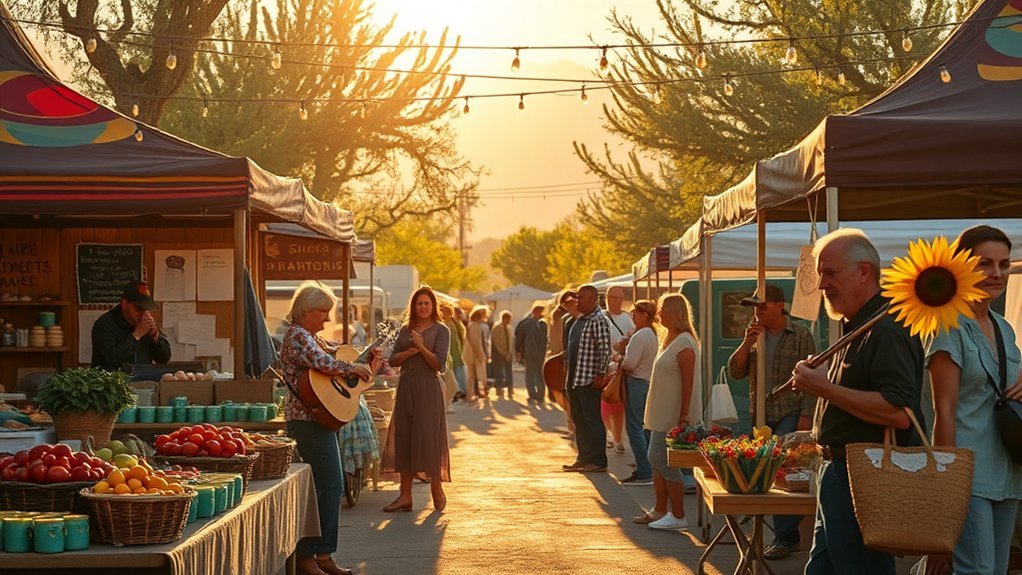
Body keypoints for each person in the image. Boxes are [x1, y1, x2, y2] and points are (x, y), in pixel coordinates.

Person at [791, 228, 925, 575]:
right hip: (840, 474)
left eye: (830, 273)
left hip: (863, 477)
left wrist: (824, 388)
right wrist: (822, 381)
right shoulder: (859, 324)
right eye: (820, 274)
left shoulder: (886, 328)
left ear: (864, 272)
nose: (821, 284)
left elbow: (899, 412)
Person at [925, 225, 1022, 575]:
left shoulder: (1004, 328)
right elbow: (944, 412)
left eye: (1004, 264)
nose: (997, 273)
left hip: (1008, 469)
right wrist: (946, 495)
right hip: (967, 475)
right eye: (985, 263)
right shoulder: (947, 325)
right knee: (977, 570)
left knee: (995, 570)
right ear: (961, 266)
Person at [279, 281, 372, 575]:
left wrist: (364, 360)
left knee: (329, 486)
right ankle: (309, 557)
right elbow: (323, 362)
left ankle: (322, 555)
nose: (328, 319)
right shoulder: (297, 336)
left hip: (316, 420)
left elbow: (337, 354)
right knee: (328, 486)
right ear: (307, 311)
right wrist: (350, 368)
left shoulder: (310, 337)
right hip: (307, 422)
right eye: (324, 312)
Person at [727, 284, 818, 559]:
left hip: (790, 410)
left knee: (781, 466)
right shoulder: (756, 335)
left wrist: (806, 416)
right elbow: (735, 372)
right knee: (765, 469)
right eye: (754, 307)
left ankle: (783, 538)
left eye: (762, 307)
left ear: (780, 305)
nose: (757, 312)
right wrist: (747, 343)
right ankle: (778, 534)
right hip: (761, 413)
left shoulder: (800, 335)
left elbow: (813, 377)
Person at [382, 286, 451, 513]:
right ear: (414, 306)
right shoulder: (406, 330)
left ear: (433, 306)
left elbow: (438, 364)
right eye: (419, 303)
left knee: (428, 437)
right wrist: (407, 353)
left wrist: (420, 346)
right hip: (406, 386)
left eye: (426, 303)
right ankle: (405, 496)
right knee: (405, 437)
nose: (423, 307)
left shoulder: (441, 331)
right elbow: (392, 360)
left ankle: (436, 488)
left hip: (428, 388)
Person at [637, 293, 702, 530]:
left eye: (662, 309)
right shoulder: (670, 339)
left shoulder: (684, 343)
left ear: (673, 312)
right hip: (662, 412)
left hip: (673, 415)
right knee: (656, 460)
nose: (658, 313)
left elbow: (688, 381)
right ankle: (660, 509)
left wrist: (684, 415)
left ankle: (678, 515)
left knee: (660, 459)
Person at [561, 284, 612, 474]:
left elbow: (605, 350)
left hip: (589, 379)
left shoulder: (598, 320)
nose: (577, 301)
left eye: (580, 298)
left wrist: (600, 374)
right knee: (579, 420)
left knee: (592, 420)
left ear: (592, 299)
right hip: (575, 379)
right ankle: (584, 458)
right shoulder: (580, 320)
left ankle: (598, 461)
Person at [617, 299, 658, 486]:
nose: (632, 315)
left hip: (636, 383)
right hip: (647, 382)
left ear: (644, 315)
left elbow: (630, 364)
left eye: (635, 312)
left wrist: (618, 358)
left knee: (634, 429)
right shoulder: (652, 334)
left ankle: (644, 471)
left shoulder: (640, 336)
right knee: (645, 427)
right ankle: (649, 467)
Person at [91, 280, 172, 373]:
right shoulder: (104, 324)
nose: (142, 314)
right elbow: (110, 360)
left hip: (142, 380)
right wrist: (136, 335)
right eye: (138, 308)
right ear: (124, 304)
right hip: (110, 381)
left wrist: (156, 337)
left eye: (146, 309)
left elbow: (164, 359)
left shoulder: (145, 322)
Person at [603, 286, 633, 455]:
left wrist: (623, 346)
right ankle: (608, 433)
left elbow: (632, 338)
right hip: (604, 365)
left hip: (621, 366)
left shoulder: (628, 319)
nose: (613, 300)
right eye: (611, 297)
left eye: (617, 297)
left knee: (618, 403)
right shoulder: (601, 317)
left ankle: (618, 438)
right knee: (605, 401)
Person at [516, 302, 549, 403]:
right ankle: (536, 395)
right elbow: (519, 338)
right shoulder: (532, 324)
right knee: (535, 374)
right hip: (533, 352)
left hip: (535, 353)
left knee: (535, 374)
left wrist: (518, 350)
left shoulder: (541, 324)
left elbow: (518, 338)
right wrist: (518, 351)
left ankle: (537, 396)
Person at [463, 305, 490, 400]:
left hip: (473, 355)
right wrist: (480, 355)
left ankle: (472, 395)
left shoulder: (474, 325)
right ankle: (470, 396)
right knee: (472, 376)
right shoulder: (474, 326)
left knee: (473, 376)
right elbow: (476, 343)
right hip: (473, 355)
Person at [443, 304, 468, 402]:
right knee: (454, 373)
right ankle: (457, 392)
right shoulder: (446, 323)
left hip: (456, 351)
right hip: (451, 352)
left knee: (458, 372)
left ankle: (460, 391)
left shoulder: (454, 322)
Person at [490, 310, 515, 399]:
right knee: (499, 372)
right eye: (507, 319)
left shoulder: (509, 328)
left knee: (509, 372)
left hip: (508, 353)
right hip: (498, 353)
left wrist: (509, 353)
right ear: (503, 318)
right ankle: (499, 388)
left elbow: (511, 341)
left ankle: (510, 388)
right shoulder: (496, 328)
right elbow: (496, 342)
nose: (508, 321)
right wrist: (503, 353)